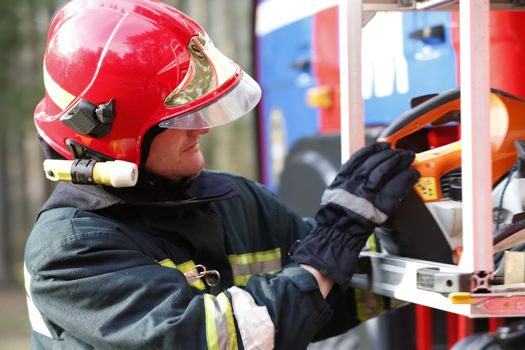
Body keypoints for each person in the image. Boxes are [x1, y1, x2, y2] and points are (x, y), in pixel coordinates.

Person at [24, 0, 420, 349]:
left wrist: (418, 247)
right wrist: (326, 250)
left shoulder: (237, 203)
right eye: (181, 117)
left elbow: (320, 299)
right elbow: (208, 339)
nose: (202, 128)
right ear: (116, 136)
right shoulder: (69, 250)